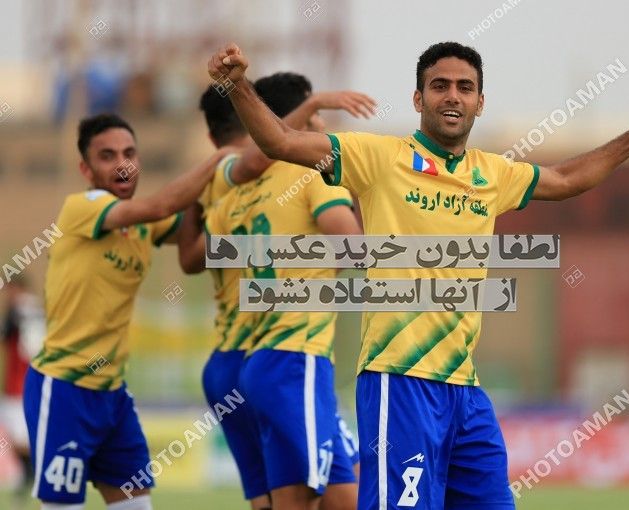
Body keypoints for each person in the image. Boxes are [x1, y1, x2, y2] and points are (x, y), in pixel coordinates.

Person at [208, 41, 629, 509]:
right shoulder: (378, 158)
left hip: (465, 392)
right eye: (440, 86)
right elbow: (281, 142)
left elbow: (568, 179)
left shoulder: (492, 173)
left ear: (480, 102)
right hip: (398, 380)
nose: (453, 95)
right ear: (418, 99)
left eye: (465, 87)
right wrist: (237, 85)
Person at [178, 75, 374, 509]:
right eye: (316, 117)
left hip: (237, 361)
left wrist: (194, 197)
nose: (322, 127)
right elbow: (355, 248)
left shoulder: (229, 193)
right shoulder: (309, 174)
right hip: (291, 354)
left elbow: (190, 258)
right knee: (336, 494)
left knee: (286, 498)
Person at [22, 112, 233, 510]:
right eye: (107, 156)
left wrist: (267, 239)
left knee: (137, 506)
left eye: (130, 154)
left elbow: (196, 239)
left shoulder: (144, 224)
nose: (122, 164)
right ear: (86, 169)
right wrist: (220, 159)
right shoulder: (83, 207)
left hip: (113, 395)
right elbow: (163, 204)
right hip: (65, 388)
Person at [1, 275, 43, 508]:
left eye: (10, 289)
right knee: (16, 438)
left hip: (21, 387)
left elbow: (29, 348)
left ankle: (32, 477)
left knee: (21, 439)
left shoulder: (22, 312)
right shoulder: (28, 312)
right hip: (18, 386)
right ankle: (30, 477)